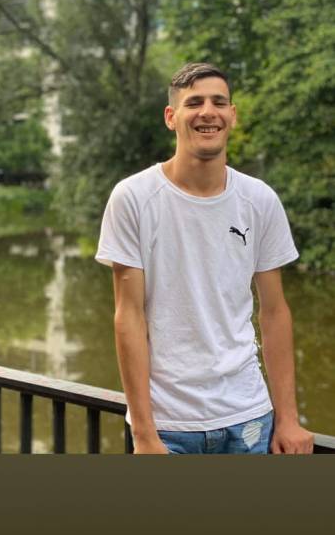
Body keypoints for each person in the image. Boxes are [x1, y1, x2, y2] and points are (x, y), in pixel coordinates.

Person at [95, 62, 314, 454]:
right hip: (169, 426)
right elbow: (129, 317)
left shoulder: (259, 200)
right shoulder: (133, 198)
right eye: (194, 102)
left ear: (232, 115)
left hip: (249, 419)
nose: (208, 112)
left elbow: (274, 312)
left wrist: (288, 419)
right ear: (171, 117)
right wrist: (144, 434)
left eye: (219, 102)